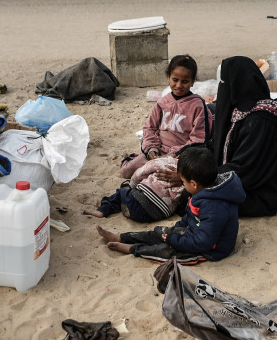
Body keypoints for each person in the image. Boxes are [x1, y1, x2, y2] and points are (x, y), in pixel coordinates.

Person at [83, 54, 211, 221]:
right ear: (168, 77)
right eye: (175, 80)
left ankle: (128, 196)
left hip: (178, 156)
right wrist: (151, 149)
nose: (179, 85)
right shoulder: (163, 102)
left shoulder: (198, 105)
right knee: (127, 171)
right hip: (157, 151)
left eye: (185, 81)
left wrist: (173, 155)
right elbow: (149, 127)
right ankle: (133, 175)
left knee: (161, 178)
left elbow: (198, 140)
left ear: (193, 82)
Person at [188, 56, 277, 217]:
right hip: (242, 183)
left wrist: (197, 177)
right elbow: (215, 145)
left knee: (191, 200)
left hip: (263, 195)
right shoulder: (241, 113)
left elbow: (242, 170)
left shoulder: (261, 120)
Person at [96, 146, 245, 263]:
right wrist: (178, 228)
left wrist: (174, 239)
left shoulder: (215, 207)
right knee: (159, 233)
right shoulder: (203, 191)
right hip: (195, 233)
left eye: (183, 181)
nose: (183, 184)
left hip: (210, 250)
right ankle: (121, 237)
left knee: (165, 251)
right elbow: (192, 216)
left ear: (193, 183)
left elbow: (202, 243)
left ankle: (133, 249)